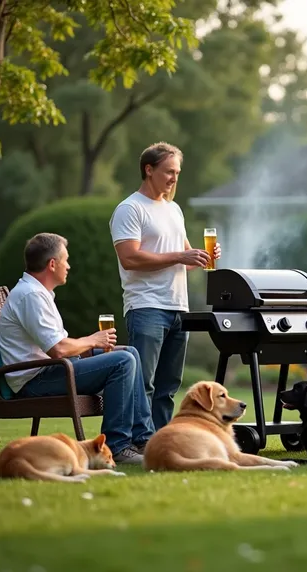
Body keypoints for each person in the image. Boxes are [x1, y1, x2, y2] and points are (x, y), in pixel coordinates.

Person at [0, 233, 154, 464]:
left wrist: (90, 345)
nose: (69, 266)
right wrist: (93, 340)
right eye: (66, 259)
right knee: (122, 361)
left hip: (52, 370)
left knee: (130, 353)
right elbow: (58, 349)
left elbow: (59, 346)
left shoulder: (39, 294)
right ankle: (118, 446)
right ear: (52, 264)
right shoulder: (30, 296)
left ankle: (142, 439)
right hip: (36, 380)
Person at [110, 142, 220, 431]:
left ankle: (161, 438)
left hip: (177, 307)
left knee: (168, 385)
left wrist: (199, 256)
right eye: (169, 171)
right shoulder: (129, 209)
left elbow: (181, 256)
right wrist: (180, 255)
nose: (174, 178)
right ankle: (140, 440)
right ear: (149, 169)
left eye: (177, 173)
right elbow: (130, 258)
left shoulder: (173, 210)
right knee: (142, 382)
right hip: (146, 306)